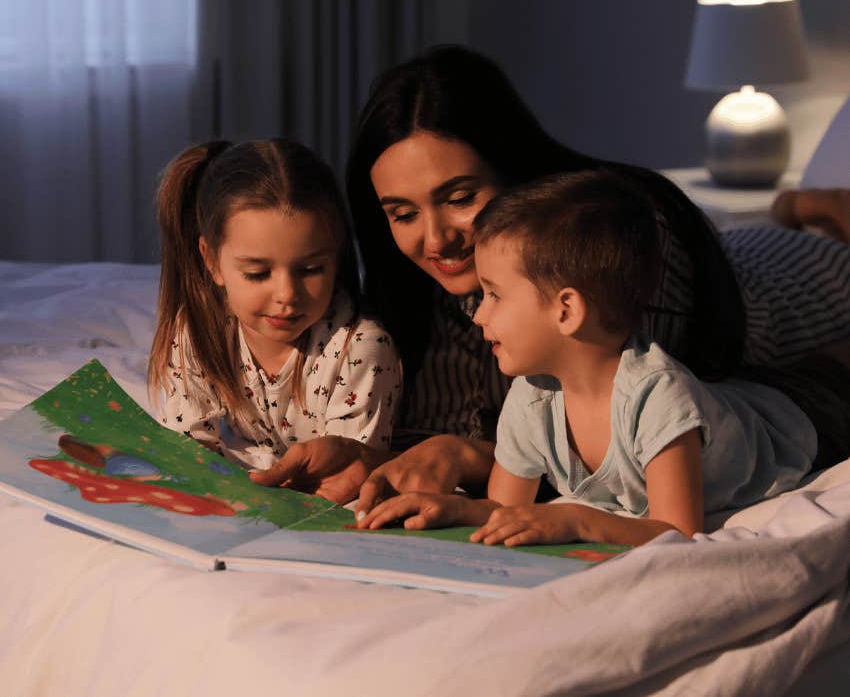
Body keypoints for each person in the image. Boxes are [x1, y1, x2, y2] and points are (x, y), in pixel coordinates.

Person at [252, 45, 850, 509]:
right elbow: (461, 426)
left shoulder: (622, 241)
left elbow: (621, 456)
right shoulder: (428, 285)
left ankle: (806, 210)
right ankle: (803, 209)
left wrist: (467, 456)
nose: (435, 241)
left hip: (803, 286)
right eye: (403, 214)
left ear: (517, 170)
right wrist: (368, 456)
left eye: (460, 197)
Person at [357, 171, 819, 546]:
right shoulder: (533, 394)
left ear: (567, 310)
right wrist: (454, 508)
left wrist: (579, 521)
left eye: (494, 294)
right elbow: (504, 507)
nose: (479, 315)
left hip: (795, 416)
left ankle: (822, 209)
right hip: (728, 398)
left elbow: (678, 531)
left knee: (833, 372)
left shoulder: (658, 396)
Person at [148, 139, 401, 485]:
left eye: (311, 269)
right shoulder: (197, 329)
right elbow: (189, 451)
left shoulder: (361, 350)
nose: (286, 295)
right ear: (211, 261)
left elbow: (347, 479)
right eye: (257, 274)